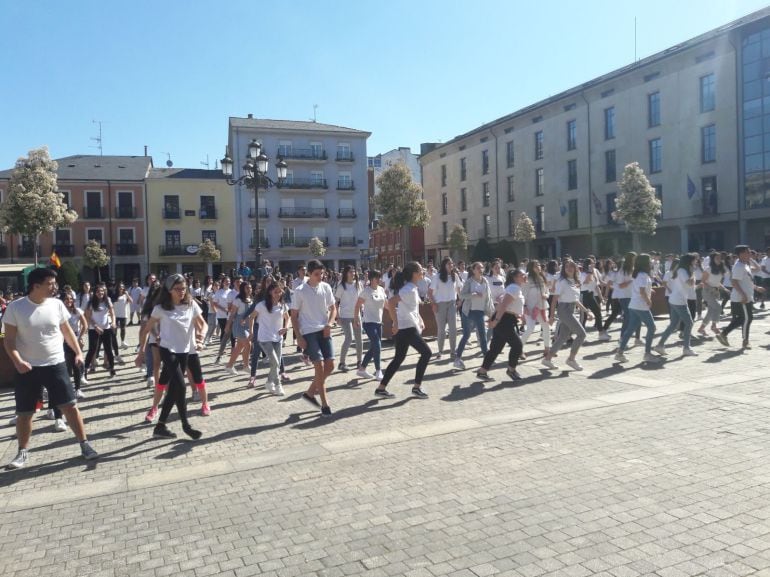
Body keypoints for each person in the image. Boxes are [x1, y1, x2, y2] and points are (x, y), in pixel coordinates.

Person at [4, 268, 98, 469]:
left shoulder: (57, 305)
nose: (54, 287)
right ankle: (22, 452)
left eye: (54, 283)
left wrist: (79, 352)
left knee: (70, 406)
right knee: (25, 412)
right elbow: (9, 341)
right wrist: (17, 360)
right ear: (36, 285)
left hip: (55, 364)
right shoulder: (16, 307)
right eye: (50, 283)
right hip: (27, 368)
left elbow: (67, 331)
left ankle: (85, 444)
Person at [136, 274, 206, 439]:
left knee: (173, 390)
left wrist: (201, 337)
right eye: (177, 289)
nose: (182, 292)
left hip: (185, 352)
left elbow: (203, 324)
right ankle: (185, 425)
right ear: (169, 290)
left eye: (183, 288)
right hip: (168, 351)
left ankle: (160, 426)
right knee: (181, 387)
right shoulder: (160, 308)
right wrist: (141, 352)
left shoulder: (191, 305)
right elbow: (146, 330)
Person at [377, 262, 432, 398]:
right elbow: (391, 302)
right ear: (414, 273)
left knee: (398, 358)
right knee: (427, 353)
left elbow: (411, 307)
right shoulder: (408, 289)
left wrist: (420, 319)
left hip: (406, 327)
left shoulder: (412, 288)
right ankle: (416, 387)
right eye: (420, 270)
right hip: (406, 328)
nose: (422, 271)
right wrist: (395, 323)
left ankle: (381, 388)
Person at [291, 259, 337, 417]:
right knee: (320, 366)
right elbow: (294, 316)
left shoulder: (326, 287)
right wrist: (298, 337)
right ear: (309, 274)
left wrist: (329, 324)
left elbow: (333, 308)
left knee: (330, 366)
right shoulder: (300, 290)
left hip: (324, 330)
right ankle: (325, 405)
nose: (320, 276)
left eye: (322, 273)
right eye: (317, 274)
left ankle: (309, 394)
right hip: (309, 331)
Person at [542, 259, 593, 371]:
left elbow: (575, 300)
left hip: (570, 309)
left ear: (575, 268)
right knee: (581, 334)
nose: (569, 268)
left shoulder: (574, 281)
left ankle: (547, 359)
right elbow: (554, 299)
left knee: (563, 337)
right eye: (566, 267)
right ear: (563, 269)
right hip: (564, 309)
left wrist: (586, 311)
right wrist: (551, 316)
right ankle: (571, 359)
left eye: (571, 266)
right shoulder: (562, 281)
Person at [477, 268, 525, 381]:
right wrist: (495, 320)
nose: (525, 276)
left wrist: (493, 317)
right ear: (515, 277)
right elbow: (503, 306)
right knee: (517, 345)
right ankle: (511, 370)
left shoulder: (513, 288)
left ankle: (482, 371)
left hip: (505, 318)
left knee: (495, 348)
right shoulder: (514, 288)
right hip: (505, 320)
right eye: (522, 275)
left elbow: (500, 305)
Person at [717, 245, 766, 349]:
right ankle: (744, 340)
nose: (750, 254)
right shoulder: (738, 266)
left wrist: (756, 288)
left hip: (746, 296)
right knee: (747, 319)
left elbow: (757, 269)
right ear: (741, 254)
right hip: (741, 297)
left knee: (743, 319)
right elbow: (734, 282)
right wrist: (743, 295)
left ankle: (724, 334)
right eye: (748, 252)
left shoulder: (745, 265)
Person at [614, 253, 660, 363]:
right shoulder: (642, 275)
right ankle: (647, 354)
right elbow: (642, 291)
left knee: (630, 329)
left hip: (634, 305)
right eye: (649, 260)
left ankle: (619, 353)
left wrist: (649, 291)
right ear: (645, 263)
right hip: (640, 305)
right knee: (652, 328)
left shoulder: (639, 274)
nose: (651, 262)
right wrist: (648, 300)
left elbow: (641, 288)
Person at [653, 253, 697, 357]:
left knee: (673, 325)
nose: (696, 262)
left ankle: (660, 345)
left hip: (676, 299)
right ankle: (686, 348)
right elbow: (690, 283)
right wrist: (693, 273)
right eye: (694, 260)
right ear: (689, 261)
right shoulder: (682, 271)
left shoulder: (682, 270)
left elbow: (689, 285)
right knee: (689, 323)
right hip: (678, 300)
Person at [251, 281, 289, 395]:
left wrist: (285, 328)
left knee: (275, 364)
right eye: (275, 291)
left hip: (278, 338)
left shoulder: (283, 305)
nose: (278, 294)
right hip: (264, 338)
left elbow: (287, 318)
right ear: (270, 292)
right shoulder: (261, 305)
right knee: (276, 363)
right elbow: (251, 317)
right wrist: (252, 331)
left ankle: (269, 382)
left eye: (280, 291)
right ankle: (278, 385)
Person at [456, 262, 491, 369]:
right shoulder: (469, 281)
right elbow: (461, 295)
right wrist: (473, 295)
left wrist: (490, 311)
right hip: (469, 311)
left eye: (482, 267)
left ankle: (486, 360)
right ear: (473, 270)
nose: (481, 269)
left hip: (480, 311)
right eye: (478, 267)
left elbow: (488, 297)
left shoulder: (485, 280)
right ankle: (457, 359)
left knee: (482, 335)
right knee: (467, 335)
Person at [354, 269, 387, 381]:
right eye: (377, 278)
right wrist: (356, 319)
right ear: (371, 279)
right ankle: (378, 371)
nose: (379, 280)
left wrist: (396, 311)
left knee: (374, 347)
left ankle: (362, 369)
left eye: (380, 277)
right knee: (377, 345)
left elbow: (386, 304)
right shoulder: (366, 291)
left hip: (379, 322)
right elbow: (357, 305)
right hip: (368, 322)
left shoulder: (381, 290)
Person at [428, 257, 462, 361]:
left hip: (451, 303)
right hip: (440, 304)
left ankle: (453, 351)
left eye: (452, 264)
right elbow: (429, 292)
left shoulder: (455, 276)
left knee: (453, 329)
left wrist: (460, 299)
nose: (451, 265)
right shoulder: (437, 277)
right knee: (441, 330)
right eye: (448, 264)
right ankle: (440, 351)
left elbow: (458, 289)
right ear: (444, 265)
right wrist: (433, 304)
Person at [520, 260, 551, 359]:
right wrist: (524, 307)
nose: (538, 266)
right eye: (535, 265)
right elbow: (522, 294)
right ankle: (519, 349)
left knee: (546, 327)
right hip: (530, 308)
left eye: (539, 265)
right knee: (530, 329)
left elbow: (547, 291)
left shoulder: (542, 277)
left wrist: (546, 295)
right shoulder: (527, 279)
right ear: (531, 268)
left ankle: (547, 350)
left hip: (541, 307)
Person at [83, 284, 116, 377]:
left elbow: (112, 313)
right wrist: (96, 326)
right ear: (95, 293)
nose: (100, 293)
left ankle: (112, 368)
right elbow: (88, 317)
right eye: (98, 291)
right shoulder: (90, 302)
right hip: (94, 329)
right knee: (92, 349)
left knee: (109, 349)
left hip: (106, 328)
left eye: (102, 291)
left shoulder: (107, 300)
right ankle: (85, 369)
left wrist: (113, 322)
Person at [335, 265, 363, 372]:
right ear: (346, 273)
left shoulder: (358, 284)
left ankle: (359, 361)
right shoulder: (341, 286)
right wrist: (337, 316)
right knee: (349, 338)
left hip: (357, 315)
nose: (353, 273)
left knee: (359, 339)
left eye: (353, 271)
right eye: (350, 272)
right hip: (345, 316)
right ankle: (342, 362)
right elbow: (336, 302)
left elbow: (362, 299)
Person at [224, 281, 254, 376]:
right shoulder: (238, 300)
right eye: (247, 288)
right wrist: (228, 325)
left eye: (250, 287)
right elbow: (232, 314)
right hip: (239, 325)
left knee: (239, 347)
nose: (249, 289)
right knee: (248, 344)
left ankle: (229, 366)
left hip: (248, 325)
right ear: (242, 289)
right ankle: (246, 365)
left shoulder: (251, 299)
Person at [62, 293, 88, 400]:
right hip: (62, 341)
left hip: (74, 340)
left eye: (70, 299)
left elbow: (85, 324)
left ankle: (77, 389)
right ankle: (66, 389)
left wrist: (80, 337)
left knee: (76, 364)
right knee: (66, 365)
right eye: (66, 299)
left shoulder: (77, 311)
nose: (69, 301)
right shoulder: (60, 312)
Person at [580, 258, 609, 341]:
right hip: (584, 295)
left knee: (598, 313)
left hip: (591, 294)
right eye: (592, 263)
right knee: (584, 316)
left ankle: (600, 333)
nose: (594, 264)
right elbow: (586, 281)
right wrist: (590, 271)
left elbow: (597, 286)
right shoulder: (583, 274)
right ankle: (581, 335)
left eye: (594, 262)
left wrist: (601, 298)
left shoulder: (595, 272)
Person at [699, 251, 727, 336]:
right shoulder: (708, 268)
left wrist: (724, 289)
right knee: (718, 307)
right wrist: (712, 289)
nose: (719, 259)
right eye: (717, 258)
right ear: (712, 259)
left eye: (720, 257)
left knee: (711, 311)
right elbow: (703, 281)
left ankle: (701, 328)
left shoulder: (721, 269)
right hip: (707, 291)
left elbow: (717, 282)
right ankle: (714, 326)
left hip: (715, 291)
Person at [113, 282, 132, 349]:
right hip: (115, 315)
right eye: (120, 287)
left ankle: (122, 342)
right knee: (114, 330)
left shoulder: (125, 295)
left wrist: (127, 295)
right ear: (117, 288)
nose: (121, 288)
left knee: (123, 329)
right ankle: (114, 343)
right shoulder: (114, 295)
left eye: (122, 287)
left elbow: (131, 301)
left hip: (123, 315)